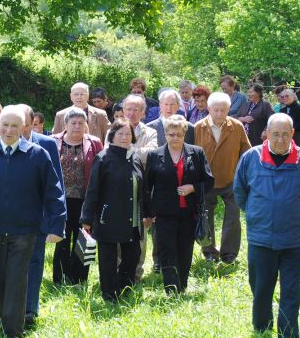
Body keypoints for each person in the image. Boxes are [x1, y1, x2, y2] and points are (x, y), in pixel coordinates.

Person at [0, 105, 66, 338]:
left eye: (14, 126)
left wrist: (56, 225)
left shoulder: (37, 154)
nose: (9, 130)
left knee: (16, 279)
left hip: (25, 231)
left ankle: (14, 332)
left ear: (24, 128)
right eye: (5, 125)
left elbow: (54, 191)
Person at [234, 113, 300, 338]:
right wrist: (255, 213)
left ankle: (289, 337)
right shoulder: (251, 158)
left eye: (285, 134)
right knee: (261, 288)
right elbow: (240, 191)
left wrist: (295, 211)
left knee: (291, 290)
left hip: (293, 238)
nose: (280, 139)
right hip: (261, 237)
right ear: (267, 134)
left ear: (292, 134)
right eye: (276, 134)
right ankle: (262, 329)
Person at [144, 115, 214, 294]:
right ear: (165, 134)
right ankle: (171, 289)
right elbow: (146, 187)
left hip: (189, 213)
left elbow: (209, 181)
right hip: (164, 213)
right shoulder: (154, 155)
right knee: (167, 251)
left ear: (185, 134)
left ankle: (182, 286)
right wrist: (149, 213)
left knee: (185, 251)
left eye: (179, 135)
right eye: (171, 134)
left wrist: (193, 188)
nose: (174, 138)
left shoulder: (196, 153)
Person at [81, 119, 144, 302]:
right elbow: (92, 189)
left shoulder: (136, 157)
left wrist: (146, 213)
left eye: (128, 134)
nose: (125, 137)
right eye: (120, 134)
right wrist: (87, 217)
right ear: (112, 136)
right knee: (108, 259)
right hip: (107, 217)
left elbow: (142, 188)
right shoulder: (103, 157)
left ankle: (125, 289)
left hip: (132, 217)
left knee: (133, 255)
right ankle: (109, 294)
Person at [19, 104, 65, 328]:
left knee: (35, 262)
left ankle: (29, 310)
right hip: (9, 219)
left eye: (26, 125)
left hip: (38, 219)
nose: (22, 130)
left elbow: (56, 184)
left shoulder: (46, 144)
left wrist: (57, 222)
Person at [193, 92, 251, 264]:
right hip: (207, 180)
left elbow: (247, 153)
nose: (219, 114)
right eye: (216, 110)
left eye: (223, 110)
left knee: (233, 216)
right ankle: (209, 251)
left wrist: (244, 176)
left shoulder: (237, 126)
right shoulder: (197, 127)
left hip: (231, 178)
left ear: (228, 109)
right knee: (206, 215)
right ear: (209, 109)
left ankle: (229, 254)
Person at [51, 107, 104, 285]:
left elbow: (100, 170)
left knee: (83, 238)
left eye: (81, 123)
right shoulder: (53, 142)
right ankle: (59, 278)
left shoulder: (94, 143)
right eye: (73, 123)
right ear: (65, 124)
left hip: (85, 200)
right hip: (60, 200)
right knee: (62, 238)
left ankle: (79, 279)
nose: (77, 126)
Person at [122, 94, 158, 281]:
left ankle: (136, 273)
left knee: (141, 232)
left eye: (136, 109)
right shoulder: (114, 129)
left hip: (142, 188)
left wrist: (125, 150)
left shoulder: (150, 132)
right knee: (118, 228)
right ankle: (120, 270)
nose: (132, 113)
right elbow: (108, 152)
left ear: (143, 113)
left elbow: (150, 154)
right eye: (128, 108)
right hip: (118, 189)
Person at [236, 83, 275, 147]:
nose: (249, 94)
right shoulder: (246, 105)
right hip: (243, 138)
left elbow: (272, 119)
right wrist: (243, 119)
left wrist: (265, 131)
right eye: (248, 92)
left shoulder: (265, 105)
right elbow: (235, 117)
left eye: (251, 92)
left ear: (258, 93)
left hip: (258, 139)